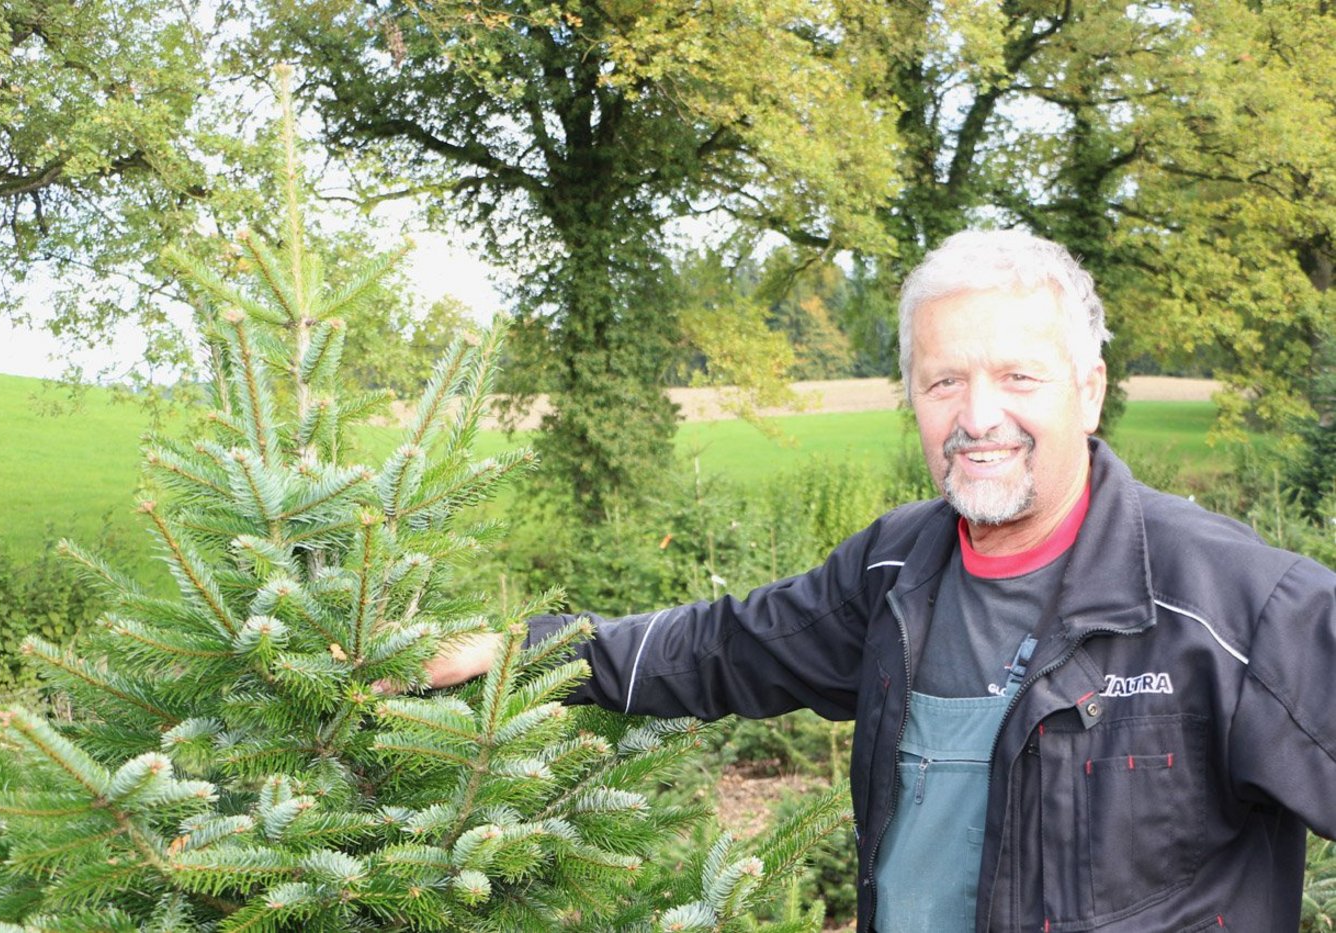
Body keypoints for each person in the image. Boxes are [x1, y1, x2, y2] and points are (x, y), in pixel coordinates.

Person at [427, 229, 1336, 932]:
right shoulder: (895, 568)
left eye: (1018, 376)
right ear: (914, 394)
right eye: (945, 382)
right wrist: (535, 655)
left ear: (1088, 391)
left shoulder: (1237, 604)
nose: (979, 417)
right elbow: (728, 645)